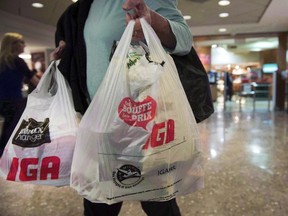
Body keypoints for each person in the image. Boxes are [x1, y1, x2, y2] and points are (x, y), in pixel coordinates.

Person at [52, 0, 192, 215]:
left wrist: (153, 21)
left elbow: (184, 40)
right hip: (99, 125)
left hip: (148, 124)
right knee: (99, 203)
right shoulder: (82, 8)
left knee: (159, 203)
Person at [0, 32, 39, 157]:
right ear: (13, 44)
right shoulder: (17, 61)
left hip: (3, 101)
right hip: (14, 102)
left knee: (8, 131)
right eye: (21, 42)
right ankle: (7, 159)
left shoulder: (2, 61)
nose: (24, 45)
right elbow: (36, 82)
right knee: (13, 132)